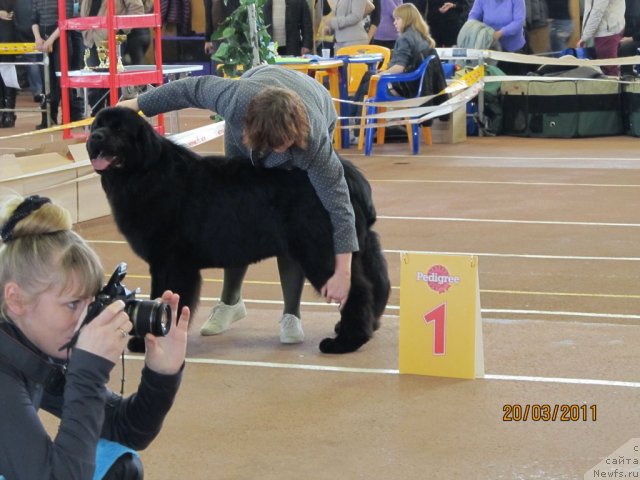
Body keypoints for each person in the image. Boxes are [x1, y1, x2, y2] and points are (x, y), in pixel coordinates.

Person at [117, 65, 357, 344]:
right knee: (234, 212)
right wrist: (136, 104)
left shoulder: (313, 145)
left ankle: (292, 313)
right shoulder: (233, 99)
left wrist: (343, 272)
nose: (280, 151)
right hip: (248, 129)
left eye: (285, 144)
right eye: (275, 145)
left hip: (314, 103)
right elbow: (188, 89)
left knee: (289, 219)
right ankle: (231, 302)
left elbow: (340, 206)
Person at [0, 193, 189, 479]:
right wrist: (87, 373)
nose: (86, 318)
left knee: (119, 468)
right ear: (15, 299)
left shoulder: (30, 346)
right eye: (72, 304)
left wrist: (162, 373)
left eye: (91, 303)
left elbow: (127, 429)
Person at [80, 0, 145, 114]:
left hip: (112, 41)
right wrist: (85, 30)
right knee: (94, 87)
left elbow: (137, 9)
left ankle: (114, 119)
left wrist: (120, 30)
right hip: (90, 40)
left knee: (113, 87)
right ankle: (99, 119)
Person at [31, 0, 85, 127]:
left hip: (62, 36)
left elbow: (66, 19)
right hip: (44, 38)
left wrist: (50, 40)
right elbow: (33, 19)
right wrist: (37, 38)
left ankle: (70, 115)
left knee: (63, 78)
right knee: (47, 81)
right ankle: (48, 117)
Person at [468, 0, 526, 73]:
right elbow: (473, 16)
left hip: (513, 50)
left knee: (513, 81)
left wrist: (500, 33)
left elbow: (519, 22)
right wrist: (471, 27)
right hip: (490, 49)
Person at [577, 0, 625, 76]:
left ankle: (613, 87)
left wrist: (585, 37)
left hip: (606, 32)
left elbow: (597, 12)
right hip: (610, 28)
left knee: (608, 70)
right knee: (610, 68)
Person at [0, 0, 17, 128]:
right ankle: (2, 111)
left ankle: (9, 111)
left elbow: (10, 9)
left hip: (8, 29)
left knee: (7, 70)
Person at [619, 0, 640, 75]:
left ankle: (627, 75)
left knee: (625, 48)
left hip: (636, 38)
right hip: (623, 35)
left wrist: (632, 39)